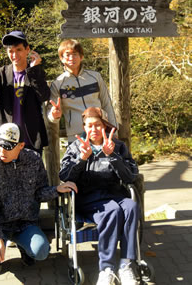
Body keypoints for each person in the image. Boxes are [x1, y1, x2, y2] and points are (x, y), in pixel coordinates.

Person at [0, 122, 77, 275]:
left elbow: (39, 192)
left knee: (42, 251)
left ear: (21, 145)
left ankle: (24, 247)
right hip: (0, 223)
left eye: (8, 147)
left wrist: (56, 190)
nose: (1, 150)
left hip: (25, 222)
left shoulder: (34, 159)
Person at [59, 107, 139, 285]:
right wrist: (81, 159)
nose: (93, 129)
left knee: (131, 206)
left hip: (114, 194)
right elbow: (64, 177)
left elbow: (131, 176)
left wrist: (113, 157)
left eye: (97, 125)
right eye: (89, 125)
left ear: (104, 125)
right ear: (84, 127)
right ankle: (107, 268)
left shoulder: (117, 146)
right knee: (112, 210)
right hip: (88, 198)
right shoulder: (75, 146)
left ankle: (126, 265)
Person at [0, 30, 50, 154]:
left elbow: (44, 96)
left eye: (18, 50)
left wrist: (34, 70)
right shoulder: (1, 73)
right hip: (5, 138)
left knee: (32, 173)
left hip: (31, 138)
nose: (14, 55)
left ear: (27, 49)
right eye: (11, 51)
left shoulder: (35, 72)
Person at [47, 39, 117, 144]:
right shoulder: (58, 84)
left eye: (75, 54)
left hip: (99, 133)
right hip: (76, 137)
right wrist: (54, 115)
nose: (71, 58)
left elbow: (107, 104)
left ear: (81, 56)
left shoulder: (95, 77)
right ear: (61, 58)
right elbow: (51, 115)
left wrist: (113, 130)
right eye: (67, 55)